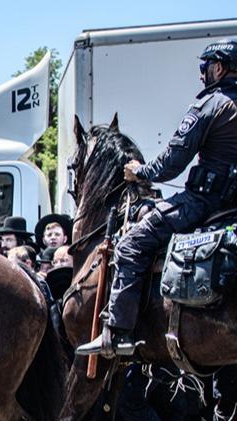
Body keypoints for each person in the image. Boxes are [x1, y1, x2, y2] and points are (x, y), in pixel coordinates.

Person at [79, 39, 237, 357]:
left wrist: (141, 171)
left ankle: (117, 333)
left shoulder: (212, 104)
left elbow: (173, 161)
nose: (201, 75)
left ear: (218, 67)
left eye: (204, 68)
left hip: (204, 202)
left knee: (131, 244)